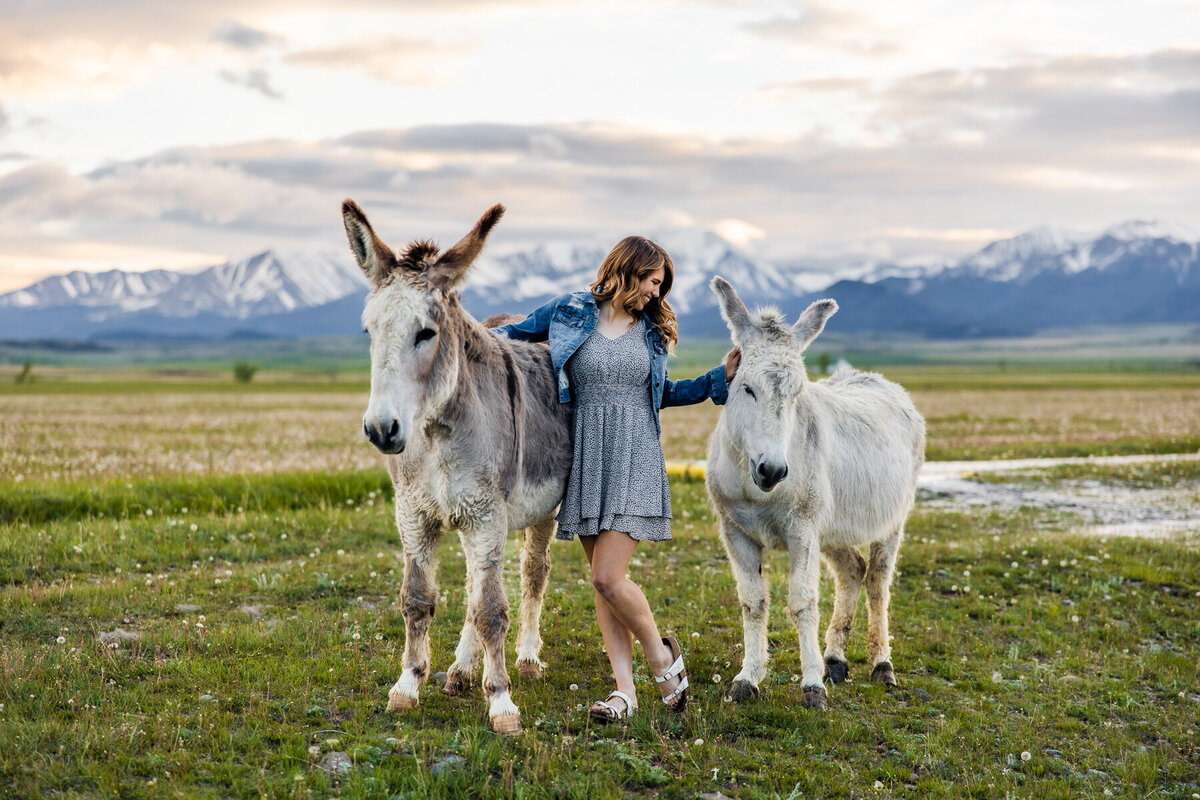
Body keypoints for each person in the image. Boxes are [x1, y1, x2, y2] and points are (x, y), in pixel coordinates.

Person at [492, 235, 739, 722]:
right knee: (603, 584)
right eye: (652, 281)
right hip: (585, 457)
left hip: (634, 455)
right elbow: (510, 336)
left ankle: (661, 658)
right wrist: (454, 338)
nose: (655, 293)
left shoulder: (650, 331)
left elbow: (661, 392)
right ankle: (623, 692)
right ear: (628, 269)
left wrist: (716, 380)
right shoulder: (567, 312)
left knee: (608, 576)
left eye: (660, 286)